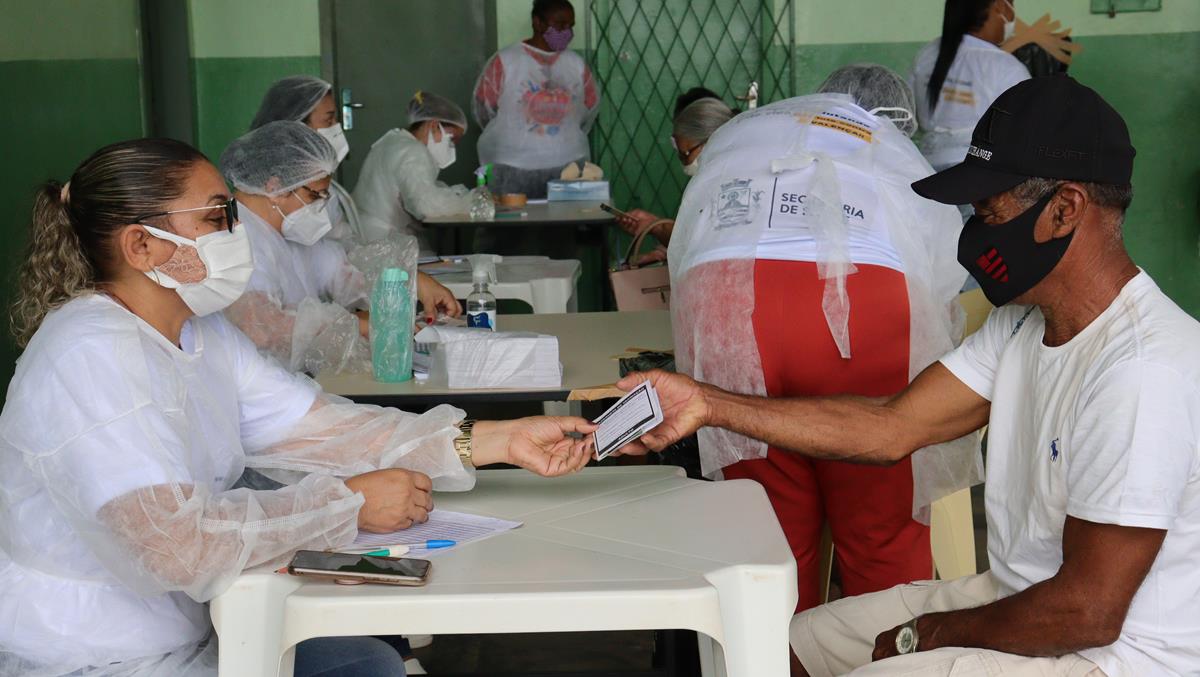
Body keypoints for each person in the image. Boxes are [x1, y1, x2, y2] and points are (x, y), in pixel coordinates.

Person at [615, 76, 1200, 677]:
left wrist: (928, 634)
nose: (976, 237)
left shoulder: (1142, 371)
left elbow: (1087, 612)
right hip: (1016, 599)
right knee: (775, 644)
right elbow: (889, 427)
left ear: (1065, 209)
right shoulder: (1024, 326)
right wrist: (707, 404)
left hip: (1111, 657)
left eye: (989, 213)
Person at [0, 137, 595, 676]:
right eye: (216, 217)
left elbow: (323, 428)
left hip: (190, 629)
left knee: (366, 661)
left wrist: (497, 439)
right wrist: (350, 504)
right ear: (142, 245)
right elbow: (174, 544)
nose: (235, 232)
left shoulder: (199, 334)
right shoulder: (90, 354)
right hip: (88, 654)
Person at [659, 64, 968, 613]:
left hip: (721, 300)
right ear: (897, 118)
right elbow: (943, 277)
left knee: (767, 536)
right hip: (856, 299)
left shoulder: (757, 128)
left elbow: (683, 248)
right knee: (879, 528)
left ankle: (776, 660)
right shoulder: (888, 146)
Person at [221, 121, 459, 375]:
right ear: (274, 187)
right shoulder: (234, 237)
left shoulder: (288, 231)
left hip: (297, 381)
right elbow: (261, 327)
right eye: (315, 196)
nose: (321, 207)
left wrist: (411, 282)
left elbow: (345, 271)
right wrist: (355, 324)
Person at [473, 0, 600, 198]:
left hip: (568, 163)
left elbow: (589, 109)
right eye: (560, 25)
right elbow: (483, 109)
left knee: (564, 224)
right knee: (513, 224)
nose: (567, 31)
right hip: (513, 165)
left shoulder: (575, 64)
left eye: (571, 26)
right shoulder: (506, 60)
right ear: (537, 23)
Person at [909, 0, 1029, 171]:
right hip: (979, 172)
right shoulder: (1007, 68)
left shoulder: (927, 54)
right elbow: (1027, 131)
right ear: (1000, 6)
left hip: (926, 166)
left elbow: (910, 111)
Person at [614, 95, 736, 254]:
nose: (684, 163)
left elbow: (699, 243)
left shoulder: (730, 187)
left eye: (685, 154)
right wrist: (654, 225)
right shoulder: (709, 184)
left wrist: (657, 226)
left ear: (713, 142)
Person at [353, 91, 472, 253]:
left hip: (366, 236)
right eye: (452, 140)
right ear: (434, 125)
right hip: (384, 244)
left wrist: (455, 195)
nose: (452, 148)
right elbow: (426, 205)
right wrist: (471, 202)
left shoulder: (392, 140)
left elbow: (421, 187)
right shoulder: (414, 152)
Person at [251, 75, 358, 241]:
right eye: (328, 120)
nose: (337, 128)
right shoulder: (282, 188)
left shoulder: (319, 182)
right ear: (296, 126)